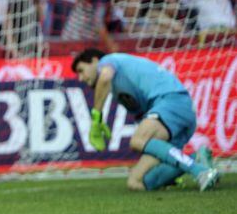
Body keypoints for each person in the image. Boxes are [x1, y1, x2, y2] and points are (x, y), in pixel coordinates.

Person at [72, 48, 219, 192]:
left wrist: (96, 118)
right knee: (137, 182)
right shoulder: (119, 89)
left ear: (95, 61)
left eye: (81, 70)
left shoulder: (108, 60)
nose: (81, 78)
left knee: (137, 140)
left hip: (172, 101)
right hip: (172, 117)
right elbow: (142, 117)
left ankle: (201, 171)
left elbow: (104, 78)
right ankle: (196, 158)